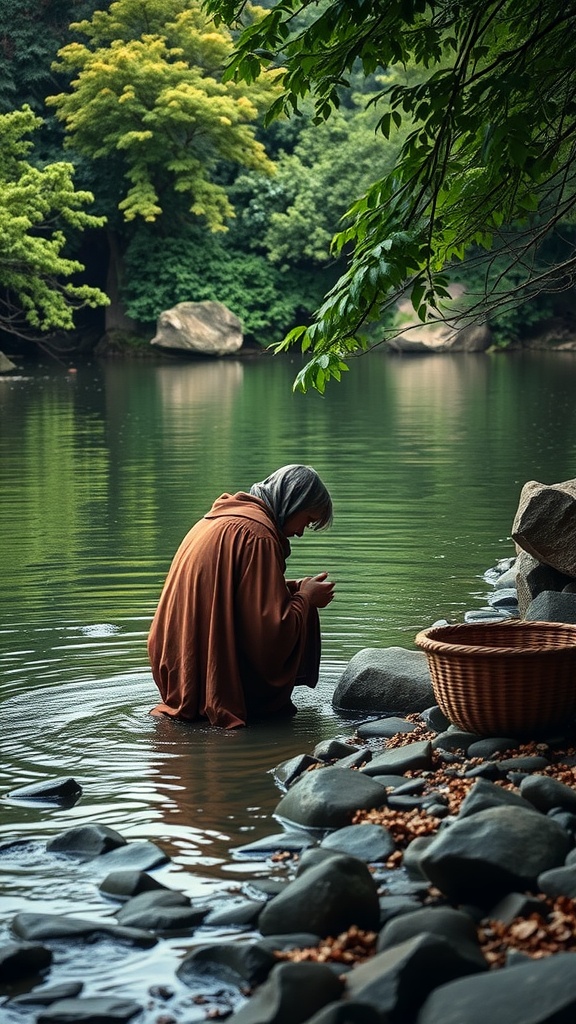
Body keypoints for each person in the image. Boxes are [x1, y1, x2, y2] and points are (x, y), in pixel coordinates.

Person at [148, 464, 335, 728]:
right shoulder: (259, 536)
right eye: (307, 519)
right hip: (210, 676)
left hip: (177, 664)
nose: (301, 532)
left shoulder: (217, 520)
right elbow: (269, 630)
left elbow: (231, 595)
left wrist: (294, 589)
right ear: (293, 503)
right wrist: (306, 600)